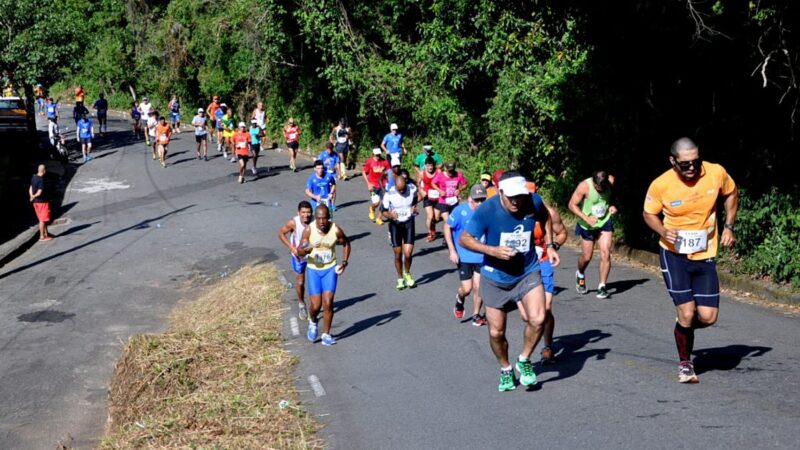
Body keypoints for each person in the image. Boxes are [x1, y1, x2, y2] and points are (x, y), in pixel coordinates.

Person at [643, 137, 738, 384]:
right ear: (673, 161)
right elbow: (648, 214)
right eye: (685, 164)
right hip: (673, 255)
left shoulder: (715, 172)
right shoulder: (661, 184)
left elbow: (731, 194)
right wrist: (663, 231)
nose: (692, 168)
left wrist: (728, 226)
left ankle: (682, 327)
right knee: (687, 312)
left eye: (696, 161)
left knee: (708, 317)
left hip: (705, 254)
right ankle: (686, 363)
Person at [459, 171, 560, 392]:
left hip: (527, 270)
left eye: (519, 196)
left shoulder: (533, 201)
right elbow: (464, 238)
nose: (516, 201)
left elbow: (546, 217)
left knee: (538, 318)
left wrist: (550, 245)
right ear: (501, 192)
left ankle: (524, 360)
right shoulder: (488, 209)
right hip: (495, 277)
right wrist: (492, 250)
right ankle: (505, 369)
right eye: (511, 196)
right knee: (496, 332)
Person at [297, 205, 351, 346]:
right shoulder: (309, 230)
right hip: (314, 270)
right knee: (316, 305)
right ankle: (313, 321)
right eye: (319, 218)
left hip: (329, 270)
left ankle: (326, 334)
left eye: (324, 218)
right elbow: (299, 252)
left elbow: (346, 243)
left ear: (329, 218)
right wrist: (307, 249)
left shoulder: (335, 230)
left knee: (328, 302)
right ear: (316, 217)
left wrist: (344, 262)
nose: (321, 222)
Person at [528, 188, 569, 364]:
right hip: (524, 264)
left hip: (543, 260)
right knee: (530, 315)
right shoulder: (514, 214)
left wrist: (552, 246)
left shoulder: (549, 213)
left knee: (546, 307)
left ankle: (547, 347)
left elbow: (563, 233)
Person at [568, 170, 618, 299]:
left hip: (604, 221)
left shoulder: (611, 180)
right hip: (587, 225)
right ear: (594, 183)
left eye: (603, 187)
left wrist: (612, 205)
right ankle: (580, 273)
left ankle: (602, 287)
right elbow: (572, 205)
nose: (600, 189)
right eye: (598, 187)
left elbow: (612, 196)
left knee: (606, 252)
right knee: (587, 256)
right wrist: (586, 218)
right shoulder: (584, 186)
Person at [444, 184, 488, 326]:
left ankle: (476, 314)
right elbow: (447, 226)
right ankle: (460, 298)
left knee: (478, 286)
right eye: (477, 200)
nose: (480, 203)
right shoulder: (460, 211)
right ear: (470, 199)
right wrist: (452, 250)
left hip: (481, 256)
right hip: (463, 256)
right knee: (467, 289)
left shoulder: (488, 212)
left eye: (483, 200)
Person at [381, 172, 419, 290]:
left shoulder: (412, 189)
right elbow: (383, 212)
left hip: (408, 223)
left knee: (408, 254)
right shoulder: (389, 193)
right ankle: (400, 278)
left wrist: (414, 208)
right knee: (398, 254)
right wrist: (390, 215)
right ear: (396, 187)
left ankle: (407, 273)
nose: (402, 192)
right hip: (395, 225)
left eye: (403, 190)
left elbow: (416, 200)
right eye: (399, 190)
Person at [278, 201, 314, 321]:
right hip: (299, 256)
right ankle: (301, 304)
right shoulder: (293, 222)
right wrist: (291, 247)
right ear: (298, 213)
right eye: (303, 212)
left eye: (308, 212)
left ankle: (315, 306)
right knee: (300, 282)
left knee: (315, 282)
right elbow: (281, 233)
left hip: (314, 254)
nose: (306, 215)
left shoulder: (316, 221)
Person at [362, 148, 390, 225]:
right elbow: (364, 172)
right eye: (376, 155)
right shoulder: (370, 162)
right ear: (373, 154)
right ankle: (372, 208)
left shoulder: (385, 162)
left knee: (385, 201)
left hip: (383, 185)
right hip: (373, 185)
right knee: (376, 203)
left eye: (379, 154)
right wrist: (368, 183)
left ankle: (379, 218)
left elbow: (389, 172)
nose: (378, 156)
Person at [417, 157, 442, 241]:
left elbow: (443, 182)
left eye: (431, 166)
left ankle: (433, 225)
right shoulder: (421, 173)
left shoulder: (438, 172)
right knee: (430, 216)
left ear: (434, 165)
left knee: (437, 217)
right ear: (425, 166)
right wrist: (421, 191)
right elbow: (418, 183)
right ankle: (430, 232)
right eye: (428, 166)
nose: (430, 168)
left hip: (437, 196)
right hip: (427, 197)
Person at [29, 164, 52, 241]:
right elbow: (39, 192)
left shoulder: (34, 177)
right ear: (44, 171)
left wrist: (31, 196)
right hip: (42, 202)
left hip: (36, 203)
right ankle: (42, 236)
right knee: (42, 220)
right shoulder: (41, 180)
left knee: (42, 219)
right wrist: (34, 196)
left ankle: (46, 233)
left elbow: (31, 188)